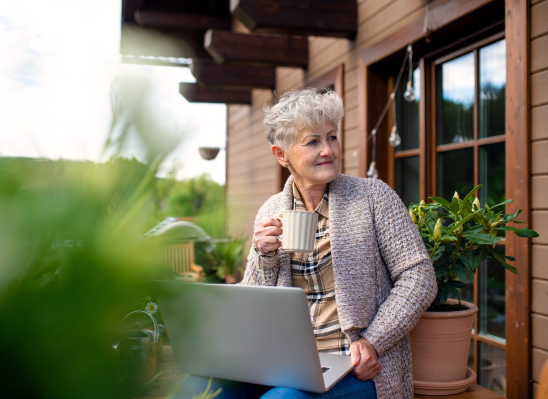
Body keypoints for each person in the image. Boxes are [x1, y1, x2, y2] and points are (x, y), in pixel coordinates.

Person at [175, 88, 437, 399]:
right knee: (194, 389)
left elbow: (419, 278)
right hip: (283, 361)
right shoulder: (272, 210)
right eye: (312, 141)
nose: (328, 150)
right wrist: (263, 256)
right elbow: (253, 303)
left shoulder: (373, 197)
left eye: (332, 137)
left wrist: (373, 341)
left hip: (353, 364)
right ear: (281, 154)